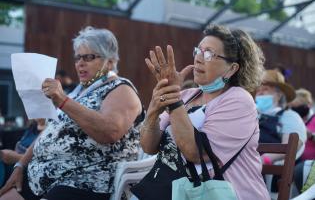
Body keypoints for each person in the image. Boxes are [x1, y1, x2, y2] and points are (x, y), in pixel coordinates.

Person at [0, 26, 144, 200]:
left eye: (89, 57)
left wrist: (62, 100)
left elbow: (110, 131)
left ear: (110, 61)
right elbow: (50, 131)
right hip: (42, 178)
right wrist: (20, 165)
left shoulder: (121, 89)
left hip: (87, 181)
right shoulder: (79, 92)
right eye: (78, 57)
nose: (80, 63)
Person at [140, 24, 269, 199]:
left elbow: (195, 152)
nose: (198, 58)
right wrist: (154, 109)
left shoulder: (239, 100)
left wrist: (174, 101)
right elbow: (148, 146)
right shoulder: (185, 95)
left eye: (209, 54)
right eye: (198, 51)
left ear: (232, 68)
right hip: (172, 191)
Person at [255, 70, 307, 163]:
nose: (260, 93)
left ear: (278, 95)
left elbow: (291, 147)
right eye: (258, 90)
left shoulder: (290, 117)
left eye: (265, 89)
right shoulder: (252, 116)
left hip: (271, 172)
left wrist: (264, 159)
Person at [0, 119, 45, 187]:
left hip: (30, 176)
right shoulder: (32, 126)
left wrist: (18, 158)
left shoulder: (55, 130)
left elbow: (50, 163)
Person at [288, 88, 315, 160]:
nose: (296, 110)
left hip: (310, 163)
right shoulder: (293, 119)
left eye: (299, 106)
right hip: (294, 160)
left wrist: (311, 135)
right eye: (293, 107)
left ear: (309, 105)